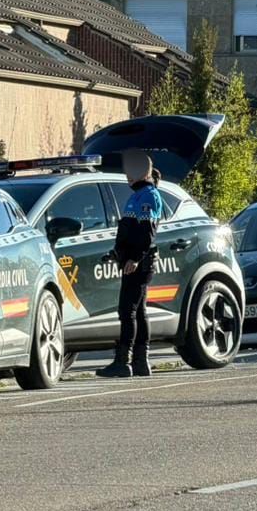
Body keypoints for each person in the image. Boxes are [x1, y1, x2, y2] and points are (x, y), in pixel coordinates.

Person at [97, 150, 164, 379]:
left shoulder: (148, 195)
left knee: (128, 311)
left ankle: (123, 362)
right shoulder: (138, 194)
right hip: (133, 260)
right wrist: (118, 253)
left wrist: (135, 258)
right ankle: (140, 362)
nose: (127, 175)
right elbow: (128, 230)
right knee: (139, 311)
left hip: (139, 262)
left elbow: (147, 232)